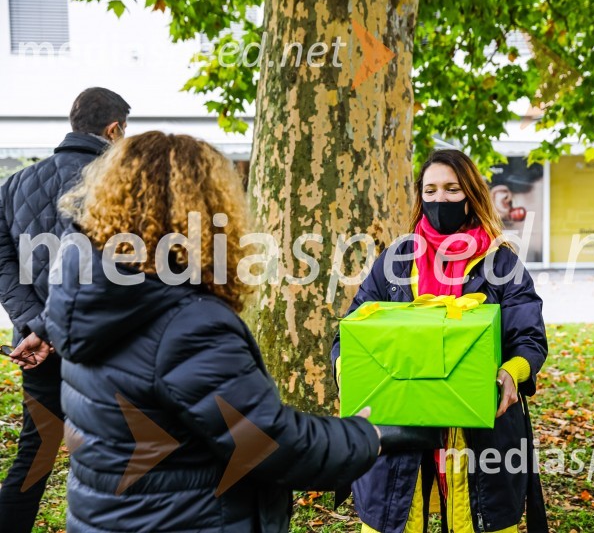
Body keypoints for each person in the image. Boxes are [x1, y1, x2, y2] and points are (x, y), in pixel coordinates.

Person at [41, 131, 381, 532]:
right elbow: (269, 443)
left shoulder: (96, 298)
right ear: (207, 212)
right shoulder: (187, 326)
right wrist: (368, 436)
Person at [331, 149, 549, 533]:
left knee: (481, 520)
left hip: (480, 426)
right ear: (420, 195)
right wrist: (347, 369)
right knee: (396, 519)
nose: (440, 199)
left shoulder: (500, 262)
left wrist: (512, 373)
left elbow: (529, 336)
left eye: (452, 189)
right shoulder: (396, 260)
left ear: (470, 194)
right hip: (399, 421)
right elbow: (350, 331)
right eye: (430, 190)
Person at [0, 87, 130, 533]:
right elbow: (113, 270)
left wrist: (33, 325)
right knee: (114, 455)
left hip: (36, 347)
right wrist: (51, 327)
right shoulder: (120, 184)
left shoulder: (13, 185)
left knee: (36, 451)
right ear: (113, 130)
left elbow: (3, 262)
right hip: (104, 346)